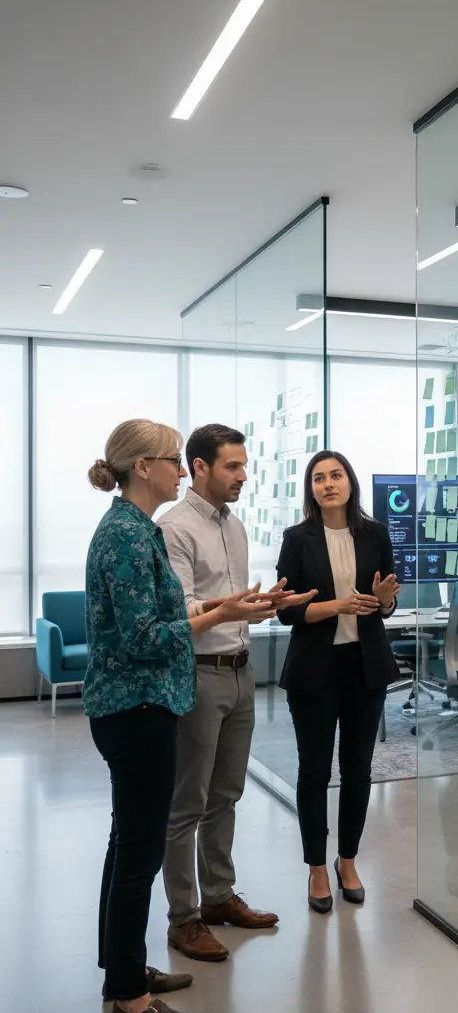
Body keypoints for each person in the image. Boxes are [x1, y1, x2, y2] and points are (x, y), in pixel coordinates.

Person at [85, 419, 273, 1013]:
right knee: (140, 851)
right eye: (172, 459)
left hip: (145, 703)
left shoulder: (134, 529)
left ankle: (123, 968)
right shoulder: (128, 535)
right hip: (136, 706)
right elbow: (144, 636)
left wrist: (235, 605)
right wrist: (219, 616)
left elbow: (169, 608)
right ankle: (130, 996)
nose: (179, 468)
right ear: (143, 467)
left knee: (128, 846)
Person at [158, 424, 314, 961]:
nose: (243, 476)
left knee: (226, 796)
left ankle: (219, 897)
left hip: (242, 672)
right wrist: (232, 607)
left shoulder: (237, 525)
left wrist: (262, 602)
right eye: (232, 466)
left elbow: (229, 603)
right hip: (199, 673)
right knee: (188, 803)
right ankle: (184, 918)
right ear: (198, 467)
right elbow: (179, 612)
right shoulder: (173, 527)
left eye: (245, 466)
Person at [275, 450, 401, 913]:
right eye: (318, 478)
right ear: (311, 489)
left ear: (350, 482)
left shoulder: (375, 534)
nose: (328, 484)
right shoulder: (297, 538)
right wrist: (337, 606)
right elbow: (287, 610)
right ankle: (316, 868)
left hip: (364, 667)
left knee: (358, 772)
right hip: (314, 669)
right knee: (314, 773)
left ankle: (347, 861)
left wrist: (383, 601)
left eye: (336, 475)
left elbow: (382, 604)